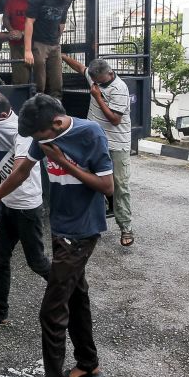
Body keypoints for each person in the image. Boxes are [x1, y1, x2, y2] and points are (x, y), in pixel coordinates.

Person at [0, 94, 113, 377]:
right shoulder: (39, 136)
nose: (38, 144)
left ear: (56, 124)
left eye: (41, 138)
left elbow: (107, 186)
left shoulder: (90, 134)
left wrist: (64, 160)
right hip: (59, 227)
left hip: (82, 233)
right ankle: (88, 364)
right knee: (77, 296)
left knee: (52, 311)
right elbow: (18, 173)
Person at [0, 90, 50, 326]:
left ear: (5, 114)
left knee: (37, 262)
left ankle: (73, 290)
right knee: (0, 259)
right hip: (8, 204)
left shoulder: (21, 131)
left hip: (27, 205)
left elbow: (19, 173)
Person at [61, 55, 134, 246]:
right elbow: (80, 67)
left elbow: (115, 119)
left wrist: (97, 97)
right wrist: (60, 55)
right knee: (91, 184)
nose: (96, 83)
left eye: (99, 81)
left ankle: (126, 227)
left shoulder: (119, 88)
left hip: (117, 144)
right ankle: (93, 227)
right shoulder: (93, 77)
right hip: (95, 143)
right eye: (94, 81)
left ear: (109, 73)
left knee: (119, 186)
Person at [23, 0, 82, 98]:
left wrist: (58, 38)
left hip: (55, 43)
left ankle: (57, 110)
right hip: (39, 42)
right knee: (40, 82)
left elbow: (62, 19)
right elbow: (29, 21)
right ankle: (37, 108)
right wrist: (28, 50)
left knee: (57, 82)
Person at [3, 0, 37, 85]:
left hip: (35, 43)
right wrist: (12, 31)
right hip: (16, 45)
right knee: (20, 78)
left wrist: (22, 33)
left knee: (37, 77)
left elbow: (40, 23)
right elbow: (5, 18)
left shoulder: (40, 0)